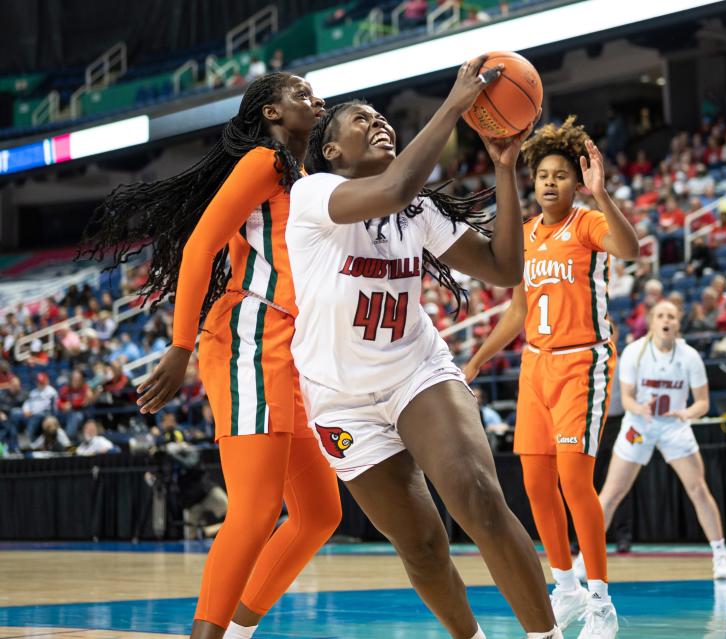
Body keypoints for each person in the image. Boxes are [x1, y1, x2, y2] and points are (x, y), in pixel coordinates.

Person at [287, 57, 565, 639]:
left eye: (382, 116)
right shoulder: (314, 194)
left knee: (478, 497)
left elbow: (505, 267)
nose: (380, 122)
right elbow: (393, 186)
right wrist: (456, 105)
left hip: (416, 370)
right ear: (331, 151)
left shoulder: (420, 208)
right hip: (340, 401)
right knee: (420, 546)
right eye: (362, 120)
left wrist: (505, 166)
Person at [79, 73, 341, 639]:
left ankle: (238, 631)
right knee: (254, 510)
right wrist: (180, 344)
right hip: (252, 336)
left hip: (293, 349)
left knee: (320, 514)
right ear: (271, 112)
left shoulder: (306, 177)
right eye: (302, 94)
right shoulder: (265, 163)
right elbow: (200, 245)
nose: (317, 101)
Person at [460, 116, 637, 635]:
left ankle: (603, 602)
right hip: (535, 364)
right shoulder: (526, 234)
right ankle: (567, 589)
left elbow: (630, 249)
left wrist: (603, 195)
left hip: (584, 361)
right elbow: (516, 311)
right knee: (536, 484)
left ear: (577, 182)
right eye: (542, 174)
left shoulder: (586, 222)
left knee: (574, 481)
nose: (550, 182)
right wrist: (477, 359)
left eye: (561, 174)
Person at [588, 302, 726, 582]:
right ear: (652, 322)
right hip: (640, 424)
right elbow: (627, 398)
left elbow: (703, 402)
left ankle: (720, 555)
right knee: (611, 493)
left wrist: (687, 412)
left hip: (674, 426)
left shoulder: (689, 356)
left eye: (671, 316)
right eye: (661, 315)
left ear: (677, 323)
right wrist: (638, 408)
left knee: (698, 488)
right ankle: (587, 556)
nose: (666, 320)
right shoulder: (634, 352)